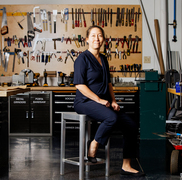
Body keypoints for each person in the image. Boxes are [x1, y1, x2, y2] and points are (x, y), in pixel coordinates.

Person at [73, 25, 145, 177]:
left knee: (131, 126)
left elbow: (109, 84)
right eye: (93, 36)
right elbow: (80, 85)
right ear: (87, 39)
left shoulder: (104, 59)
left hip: (104, 103)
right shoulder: (82, 58)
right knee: (111, 117)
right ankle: (94, 144)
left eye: (99, 36)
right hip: (85, 102)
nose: (96, 39)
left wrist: (113, 101)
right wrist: (99, 100)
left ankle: (126, 165)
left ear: (103, 39)